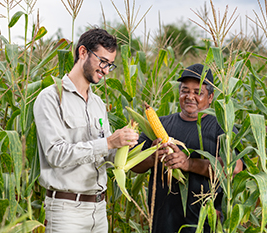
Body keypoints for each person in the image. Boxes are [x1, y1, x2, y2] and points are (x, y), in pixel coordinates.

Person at [33, 28, 139, 233]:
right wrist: (108, 142)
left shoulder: (98, 103)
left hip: (99, 210)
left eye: (110, 65)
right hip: (66, 211)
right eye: (102, 61)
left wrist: (127, 144)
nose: (106, 70)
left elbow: (105, 157)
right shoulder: (51, 98)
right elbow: (56, 154)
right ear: (83, 52)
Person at [132, 63, 244, 233]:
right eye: (185, 91)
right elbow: (134, 165)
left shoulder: (222, 127)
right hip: (163, 222)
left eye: (198, 92)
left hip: (205, 222)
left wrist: (188, 164)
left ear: (211, 97)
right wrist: (152, 158)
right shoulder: (159, 124)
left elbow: (234, 167)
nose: (190, 96)